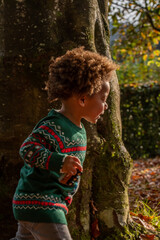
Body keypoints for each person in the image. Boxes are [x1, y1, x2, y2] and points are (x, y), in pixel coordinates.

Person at [11, 47, 117, 240]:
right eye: (103, 99)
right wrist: (59, 162)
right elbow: (27, 149)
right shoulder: (54, 126)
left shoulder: (77, 128)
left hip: (38, 205)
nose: (106, 105)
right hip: (42, 205)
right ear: (83, 99)